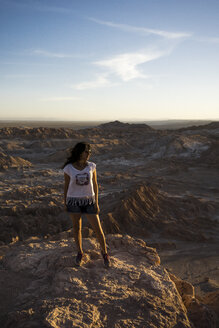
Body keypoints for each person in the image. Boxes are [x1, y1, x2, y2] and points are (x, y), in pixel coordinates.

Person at [62, 142, 110, 268]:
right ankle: (80, 253)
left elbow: (95, 184)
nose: (89, 154)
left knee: (98, 229)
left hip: (89, 201)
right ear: (79, 152)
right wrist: (65, 202)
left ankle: (105, 253)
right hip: (73, 201)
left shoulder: (92, 166)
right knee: (77, 228)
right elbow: (66, 186)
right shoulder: (68, 168)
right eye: (86, 151)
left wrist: (96, 203)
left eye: (90, 152)